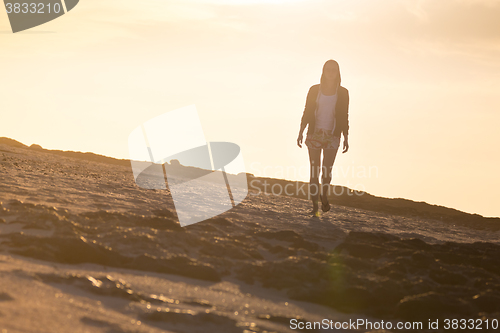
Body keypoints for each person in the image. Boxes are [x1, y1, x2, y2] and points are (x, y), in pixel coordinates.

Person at [297, 60, 349, 216]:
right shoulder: (314, 90)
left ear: (338, 72)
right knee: (314, 171)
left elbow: (344, 115)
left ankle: (324, 195)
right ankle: (314, 206)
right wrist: (301, 130)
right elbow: (307, 110)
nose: (331, 72)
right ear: (323, 71)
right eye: (328, 69)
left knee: (326, 171)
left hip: (333, 135)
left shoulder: (343, 92)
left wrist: (346, 136)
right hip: (314, 133)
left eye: (334, 70)